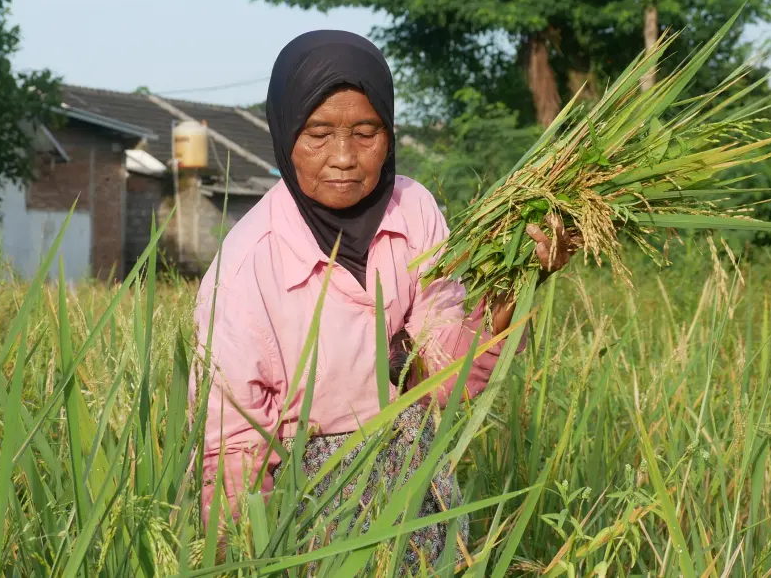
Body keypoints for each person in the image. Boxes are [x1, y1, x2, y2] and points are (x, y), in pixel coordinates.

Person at [190, 30, 577, 567]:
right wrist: (241, 550)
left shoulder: (413, 209)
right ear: (284, 136)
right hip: (309, 491)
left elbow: (439, 374)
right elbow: (231, 443)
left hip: (417, 473)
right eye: (319, 133)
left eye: (366, 131)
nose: (345, 157)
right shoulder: (247, 265)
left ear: (389, 134)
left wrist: (513, 293)